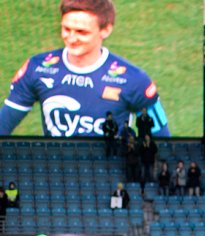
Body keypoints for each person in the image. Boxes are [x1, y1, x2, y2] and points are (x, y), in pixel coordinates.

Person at [0, 0, 170, 137]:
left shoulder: (134, 80)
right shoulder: (37, 68)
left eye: (82, 32)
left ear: (106, 30)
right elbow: (4, 124)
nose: (71, 38)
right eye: (66, 29)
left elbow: (162, 143)